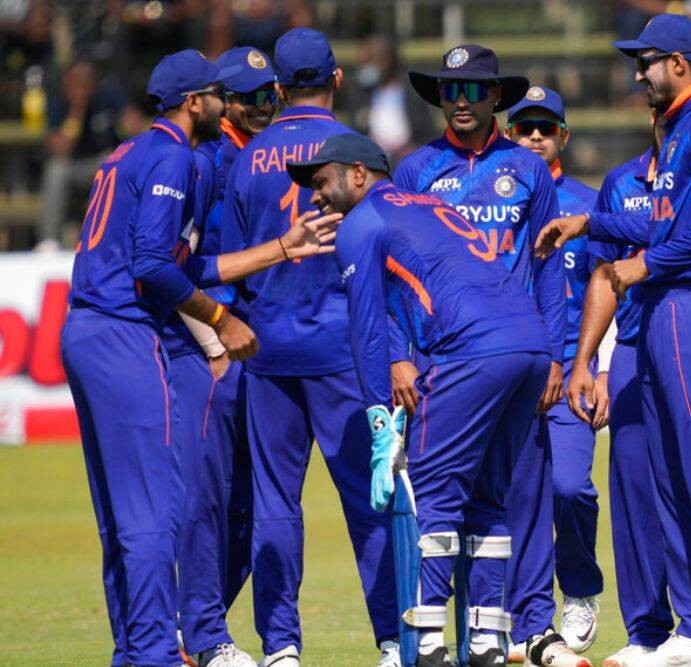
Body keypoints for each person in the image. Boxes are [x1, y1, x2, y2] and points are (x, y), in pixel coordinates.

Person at [61, 49, 337, 667]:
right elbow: (154, 268)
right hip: (127, 332)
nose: (230, 102)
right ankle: (158, 652)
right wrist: (219, 319)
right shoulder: (177, 158)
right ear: (195, 102)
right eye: (220, 93)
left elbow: (186, 264)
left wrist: (280, 248)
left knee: (119, 514)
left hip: (85, 330)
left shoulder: (128, 151)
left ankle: (134, 651)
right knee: (153, 510)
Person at [535, 14, 691, 667]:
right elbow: (664, 221)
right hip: (667, 310)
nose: (638, 73)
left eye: (646, 61)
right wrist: (590, 222)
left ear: (679, 62)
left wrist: (644, 264)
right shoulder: (680, 130)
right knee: (673, 478)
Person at [284, 131, 556, 667]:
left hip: (472, 352)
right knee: (488, 498)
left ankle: (426, 640)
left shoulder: (360, 223)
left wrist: (378, 422)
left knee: (430, 496)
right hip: (530, 345)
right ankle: (487, 639)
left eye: (320, 182)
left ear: (357, 173)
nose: (315, 198)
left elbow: (365, 328)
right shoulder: (430, 204)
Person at [393, 45, 578, 667]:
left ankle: (518, 630)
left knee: (516, 494)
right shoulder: (416, 170)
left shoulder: (526, 169)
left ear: (497, 96)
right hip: (441, 358)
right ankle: (428, 637)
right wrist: (399, 355)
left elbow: (548, 267)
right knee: (439, 497)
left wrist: (555, 355)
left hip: (515, 354)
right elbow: (393, 272)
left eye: (475, 90)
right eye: (452, 90)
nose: (463, 101)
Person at [220, 28, 401, 667]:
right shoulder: (358, 153)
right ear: (337, 79)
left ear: (276, 88)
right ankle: (393, 639)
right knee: (370, 497)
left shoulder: (247, 159)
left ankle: (282, 646)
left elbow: (230, 265)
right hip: (344, 349)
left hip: (267, 348)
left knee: (274, 503)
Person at [176, 45, 279, 667]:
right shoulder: (204, 164)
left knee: (254, 504)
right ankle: (204, 634)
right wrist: (213, 339)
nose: (263, 107)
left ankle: (194, 628)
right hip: (214, 348)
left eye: (272, 95)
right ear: (224, 104)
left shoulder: (275, 157)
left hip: (263, 348)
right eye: (250, 99)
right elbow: (172, 266)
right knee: (209, 498)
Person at [565, 141, 676, 667]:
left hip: (689, 335)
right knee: (633, 494)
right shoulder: (620, 182)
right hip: (631, 349)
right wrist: (597, 363)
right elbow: (605, 277)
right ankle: (647, 632)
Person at [504, 85, 604, 657]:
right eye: (525, 128)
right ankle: (525, 614)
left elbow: (611, 285)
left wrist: (601, 368)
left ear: (564, 137)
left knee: (568, 487)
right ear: (509, 134)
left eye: (546, 128)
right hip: (508, 374)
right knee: (513, 496)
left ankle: (581, 589)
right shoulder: (491, 201)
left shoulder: (587, 204)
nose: (536, 137)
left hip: (570, 373)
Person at [38, 58, 128, 250]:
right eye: (78, 81)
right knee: (55, 170)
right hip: (71, 167)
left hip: (99, 166)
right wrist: (77, 109)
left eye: (88, 80)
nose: (84, 86)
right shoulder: (57, 104)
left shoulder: (105, 97)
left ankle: (102, 239)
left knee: (112, 164)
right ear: (67, 83)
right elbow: (61, 149)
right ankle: (49, 241)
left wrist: (127, 118)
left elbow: (133, 122)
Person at [353, 35, 438, 165]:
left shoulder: (411, 93)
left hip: (407, 163)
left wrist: (413, 152)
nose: (365, 68)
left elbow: (427, 133)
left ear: (387, 61)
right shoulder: (362, 95)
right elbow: (355, 131)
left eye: (369, 61)